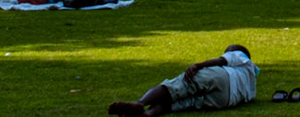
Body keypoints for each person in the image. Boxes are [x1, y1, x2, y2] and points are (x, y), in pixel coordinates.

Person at [108, 44, 259, 115]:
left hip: (222, 76)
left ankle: (140, 103)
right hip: (224, 101)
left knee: (179, 86)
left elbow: (222, 61)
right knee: (185, 103)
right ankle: (147, 115)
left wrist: (198, 65)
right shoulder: (252, 86)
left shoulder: (242, 58)